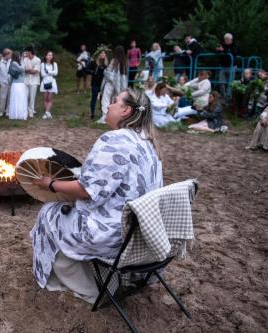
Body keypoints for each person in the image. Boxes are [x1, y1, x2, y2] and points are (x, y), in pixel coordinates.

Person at [30, 89, 162, 304]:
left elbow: (87, 191)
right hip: (140, 232)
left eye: (114, 102)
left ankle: (91, 288)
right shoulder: (147, 140)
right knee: (65, 209)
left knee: (49, 213)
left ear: (126, 110)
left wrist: (51, 184)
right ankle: (100, 277)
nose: (108, 106)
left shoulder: (115, 140)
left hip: (114, 235)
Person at [99, 45, 128, 123]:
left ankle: (105, 116)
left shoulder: (114, 60)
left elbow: (109, 73)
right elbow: (123, 76)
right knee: (114, 100)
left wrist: (105, 71)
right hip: (119, 85)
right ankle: (115, 116)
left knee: (105, 99)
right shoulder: (124, 61)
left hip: (110, 83)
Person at [85, 49, 108, 119]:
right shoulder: (94, 62)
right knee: (94, 98)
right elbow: (86, 70)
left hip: (103, 84)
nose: (103, 55)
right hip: (95, 83)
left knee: (103, 99)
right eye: (101, 54)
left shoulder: (106, 64)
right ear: (99, 55)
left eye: (104, 54)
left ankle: (103, 113)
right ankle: (92, 113)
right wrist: (93, 72)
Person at [215, 33, 238, 98]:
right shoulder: (222, 45)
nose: (225, 40)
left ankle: (229, 96)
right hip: (223, 66)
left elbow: (233, 52)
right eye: (225, 39)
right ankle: (223, 96)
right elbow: (217, 52)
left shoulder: (234, 45)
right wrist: (217, 50)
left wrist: (223, 50)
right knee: (221, 82)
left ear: (230, 39)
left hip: (232, 66)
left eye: (227, 39)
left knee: (230, 83)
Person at [8, 51, 28, 120]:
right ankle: (16, 115)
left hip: (21, 84)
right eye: (19, 55)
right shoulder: (14, 63)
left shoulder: (18, 63)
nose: (20, 57)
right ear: (17, 56)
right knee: (17, 99)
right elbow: (21, 69)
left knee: (21, 99)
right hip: (16, 84)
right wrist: (23, 60)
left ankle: (20, 114)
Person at [22, 46, 41, 118]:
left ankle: (31, 112)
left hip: (34, 81)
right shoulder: (25, 59)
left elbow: (35, 71)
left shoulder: (37, 60)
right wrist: (30, 69)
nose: (25, 53)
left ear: (30, 52)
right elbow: (23, 70)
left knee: (32, 98)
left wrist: (28, 70)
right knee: (25, 97)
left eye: (26, 52)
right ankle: (25, 111)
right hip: (26, 81)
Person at [40, 51, 59, 119]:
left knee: (49, 98)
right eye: (49, 55)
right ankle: (47, 112)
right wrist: (52, 72)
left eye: (51, 55)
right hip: (44, 82)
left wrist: (48, 72)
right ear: (46, 56)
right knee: (45, 98)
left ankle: (47, 112)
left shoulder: (54, 64)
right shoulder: (42, 64)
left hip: (52, 82)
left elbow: (56, 73)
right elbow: (42, 74)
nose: (50, 56)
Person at [0, 48, 13, 117]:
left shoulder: (11, 61)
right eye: (10, 55)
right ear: (6, 54)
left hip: (10, 82)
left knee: (10, 97)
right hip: (3, 82)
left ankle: (8, 111)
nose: (11, 56)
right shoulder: (0, 62)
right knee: (2, 97)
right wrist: (0, 82)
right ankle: (1, 111)